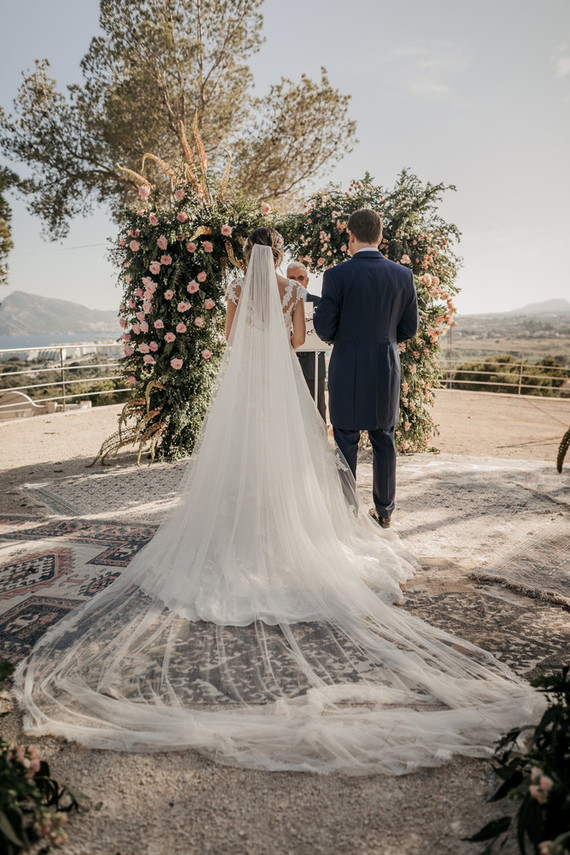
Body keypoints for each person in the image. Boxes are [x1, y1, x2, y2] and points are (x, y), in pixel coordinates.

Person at [15, 228, 543, 775]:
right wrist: (290, 307)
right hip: (285, 383)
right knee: (299, 457)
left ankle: (241, 525)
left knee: (239, 456)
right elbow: (295, 343)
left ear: (248, 254)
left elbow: (228, 337)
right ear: (282, 253)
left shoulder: (239, 286)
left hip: (244, 385)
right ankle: (340, 517)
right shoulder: (294, 290)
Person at [314, 208, 418, 529]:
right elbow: (409, 327)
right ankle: (384, 513)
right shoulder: (403, 276)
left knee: (346, 439)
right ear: (381, 237)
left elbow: (325, 329)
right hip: (386, 367)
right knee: (384, 438)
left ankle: (347, 513)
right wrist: (383, 339)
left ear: (350, 236)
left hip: (347, 367)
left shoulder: (336, 275)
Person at [287, 261, 327, 421]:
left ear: (307, 280)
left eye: (301, 278)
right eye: (292, 278)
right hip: (288, 363)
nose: (297, 282)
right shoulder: (280, 304)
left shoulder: (320, 303)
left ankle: (321, 445)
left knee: (317, 410)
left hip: (314, 364)